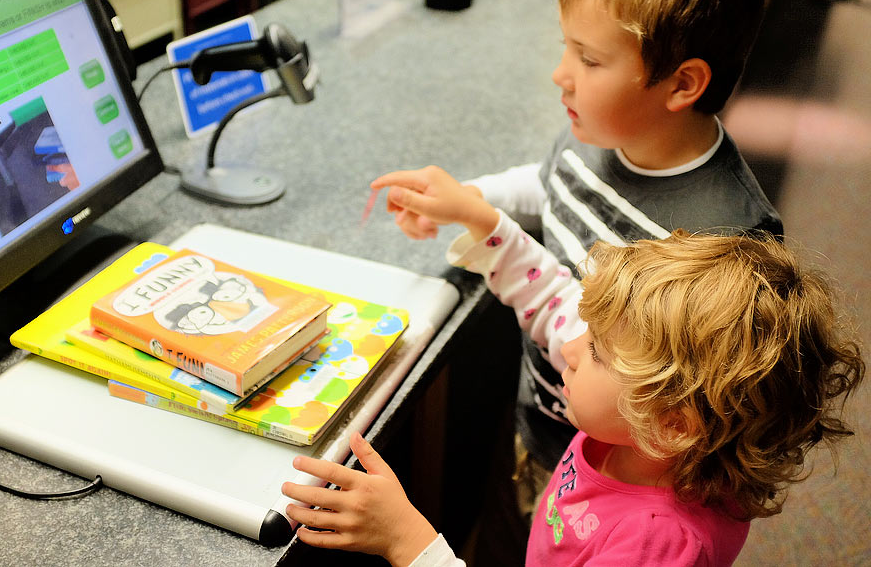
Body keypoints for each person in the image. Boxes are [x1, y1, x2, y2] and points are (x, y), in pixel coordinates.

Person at [375, 0, 783, 559]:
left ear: (683, 83)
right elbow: (554, 180)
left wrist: (487, 229)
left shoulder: (724, 244)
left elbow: (583, 326)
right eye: (567, 47)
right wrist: (473, 197)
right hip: (548, 434)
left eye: (589, 59)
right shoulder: (607, 129)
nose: (561, 75)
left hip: (625, 495)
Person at [281, 215, 865, 566]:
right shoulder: (636, 437)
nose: (568, 348)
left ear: (674, 424)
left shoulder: (655, 545)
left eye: (600, 352)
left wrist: (407, 540)